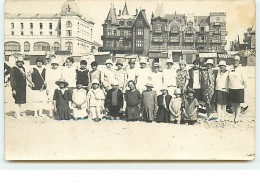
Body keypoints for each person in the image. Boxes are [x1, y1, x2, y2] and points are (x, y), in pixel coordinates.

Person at [228, 56, 247, 123]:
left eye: (236, 60)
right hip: (231, 87)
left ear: (239, 61)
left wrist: (243, 86)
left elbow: (245, 80)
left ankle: (237, 118)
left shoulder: (241, 69)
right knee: (233, 104)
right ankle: (234, 117)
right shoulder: (230, 68)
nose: (235, 62)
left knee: (238, 104)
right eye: (234, 60)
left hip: (239, 88)